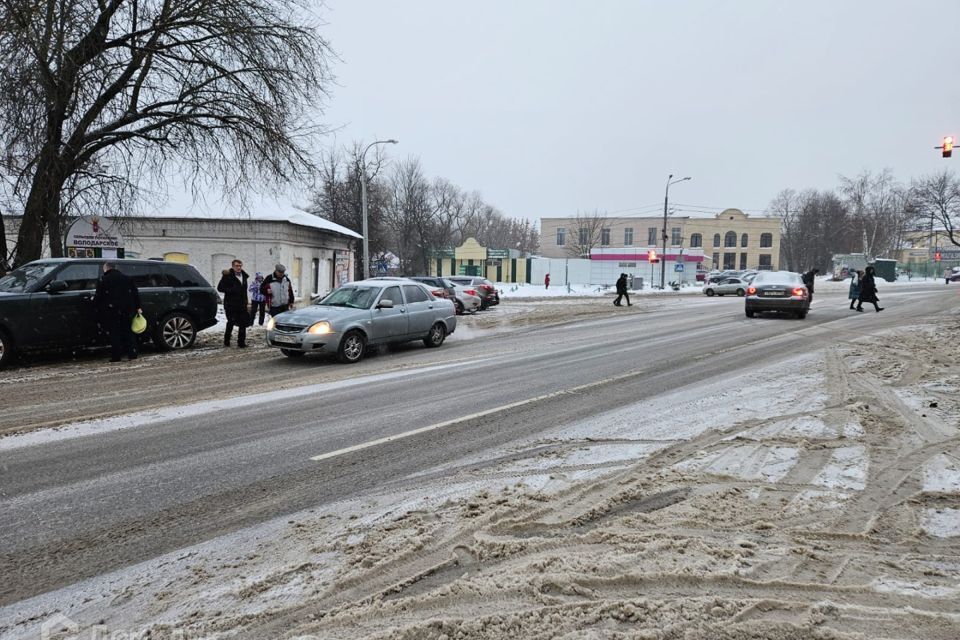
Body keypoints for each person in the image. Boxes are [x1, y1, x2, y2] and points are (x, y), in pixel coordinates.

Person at [93, 262, 142, 362]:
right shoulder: (127, 278)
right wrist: (138, 307)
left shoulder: (103, 280)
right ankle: (132, 354)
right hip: (127, 310)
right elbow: (135, 294)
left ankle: (116, 356)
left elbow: (99, 296)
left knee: (114, 333)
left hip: (112, 310)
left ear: (106, 269)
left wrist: (95, 305)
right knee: (128, 331)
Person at [218, 259, 249, 347]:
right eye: (236, 266)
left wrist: (246, 302)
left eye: (240, 265)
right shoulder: (227, 276)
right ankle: (226, 341)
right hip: (230, 304)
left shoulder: (244, 276)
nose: (238, 267)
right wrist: (231, 290)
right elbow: (220, 288)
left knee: (243, 323)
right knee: (231, 322)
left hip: (241, 304)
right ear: (233, 266)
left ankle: (241, 342)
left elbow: (244, 291)